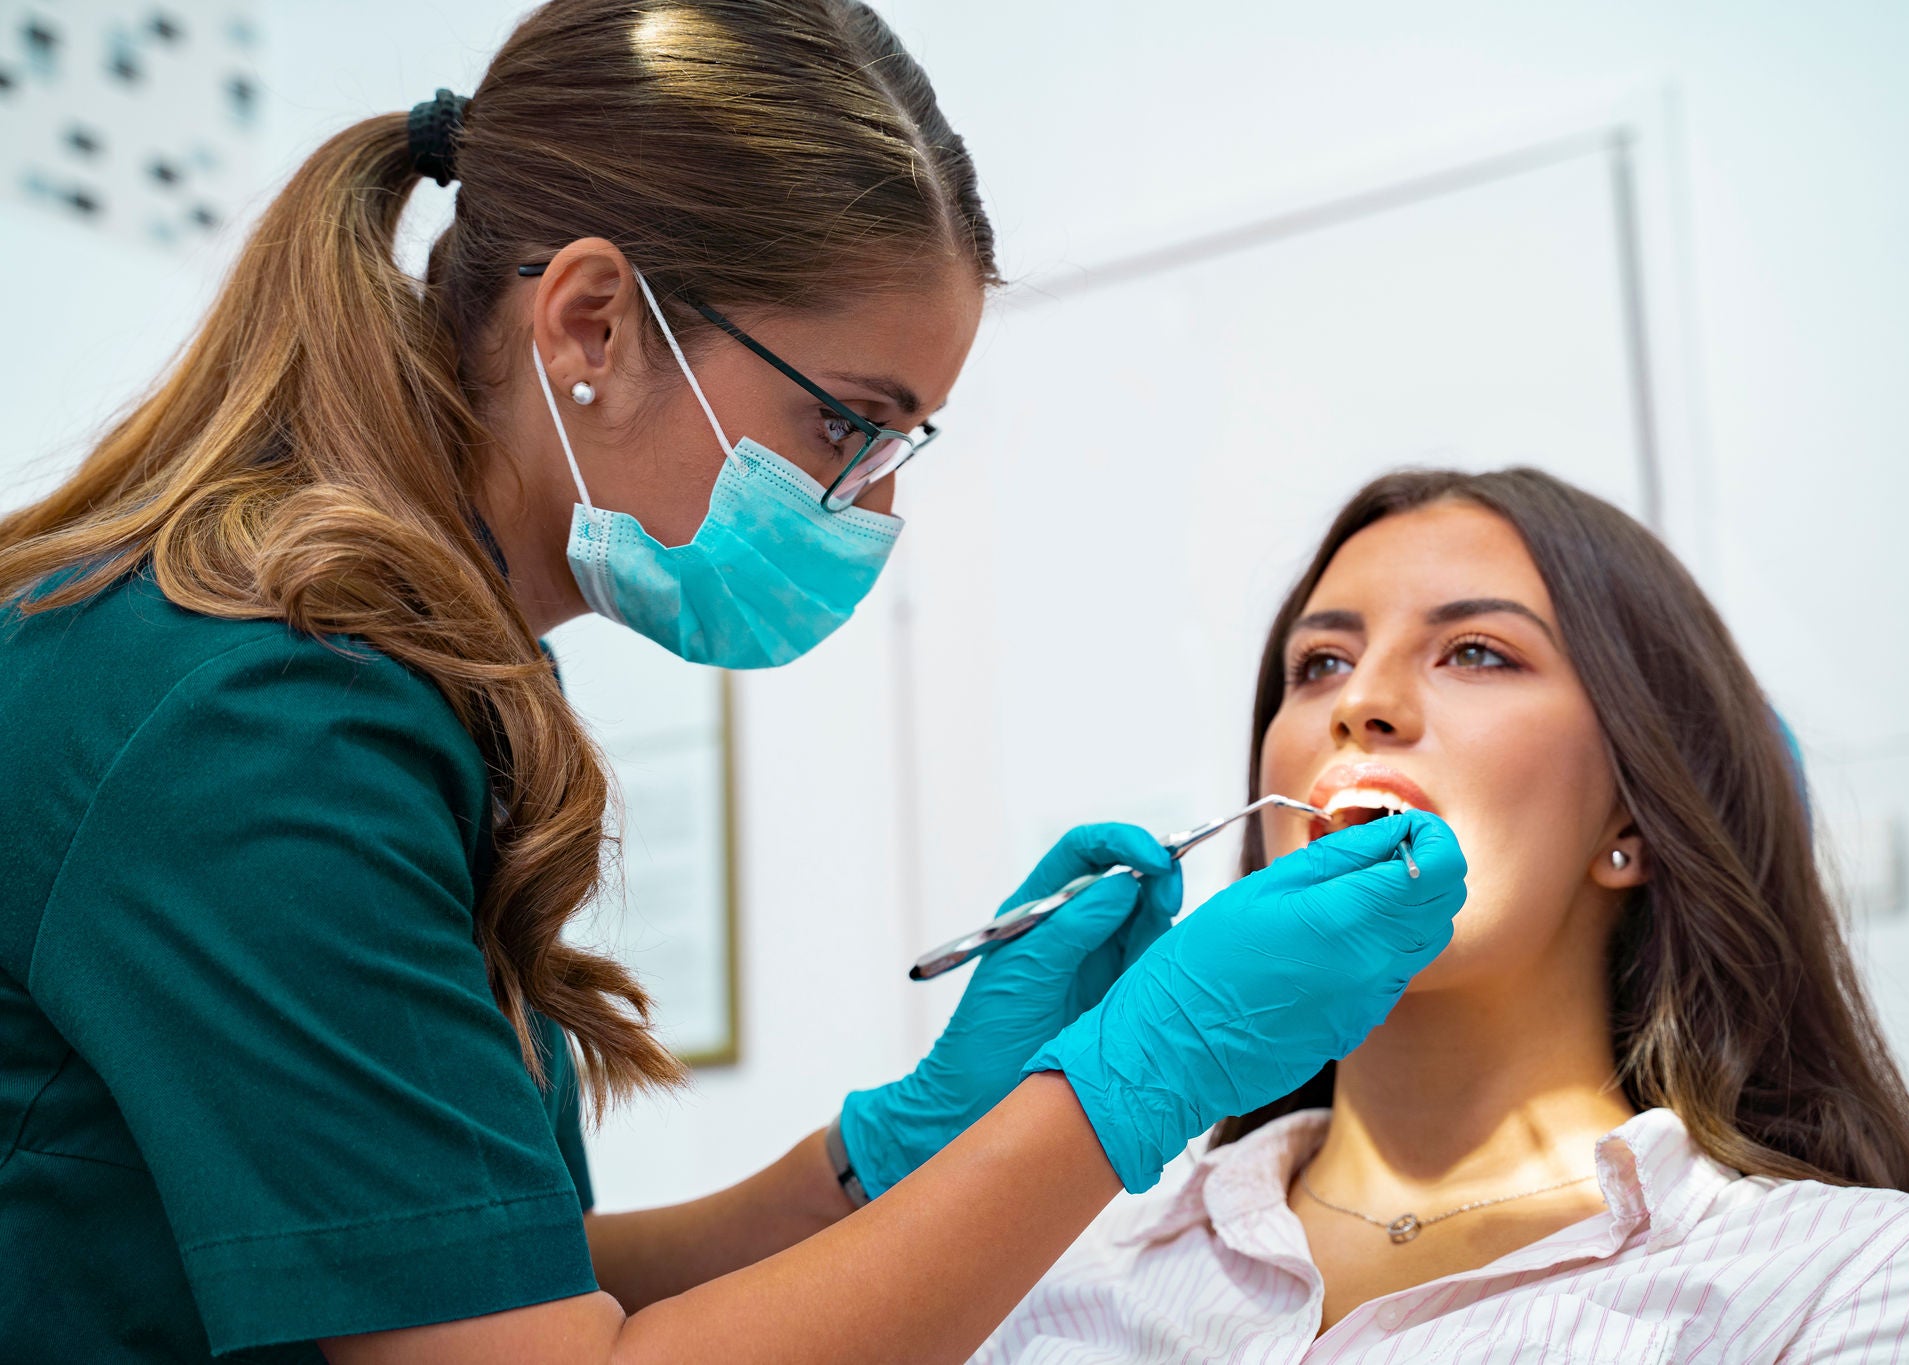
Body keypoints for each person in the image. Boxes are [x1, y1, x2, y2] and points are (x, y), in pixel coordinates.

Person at [0, 4, 1471, 1362]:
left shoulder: (368, 678)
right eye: (847, 425)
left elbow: (470, 1281)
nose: (870, 509)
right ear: (591, 324)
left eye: (901, 448)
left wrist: (881, 1161)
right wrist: (1123, 1088)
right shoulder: (260, 719)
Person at [973, 468, 1909, 1363]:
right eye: (1319, 664)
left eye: (1476, 651)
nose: (1358, 703)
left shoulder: (1849, 1284)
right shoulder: (1045, 1271)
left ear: (1634, 822)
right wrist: (936, 1163)